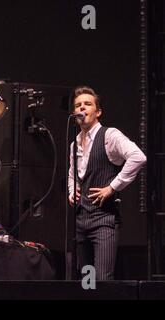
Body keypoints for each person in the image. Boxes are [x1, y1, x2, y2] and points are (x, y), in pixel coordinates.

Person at [68, 86, 146, 280]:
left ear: (98, 111)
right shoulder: (74, 143)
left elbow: (138, 157)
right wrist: (72, 191)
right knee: (87, 280)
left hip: (104, 221)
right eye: (78, 105)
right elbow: (72, 174)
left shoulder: (109, 136)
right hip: (80, 222)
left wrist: (112, 187)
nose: (82, 108)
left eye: (87, 104)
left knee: (102, 280)